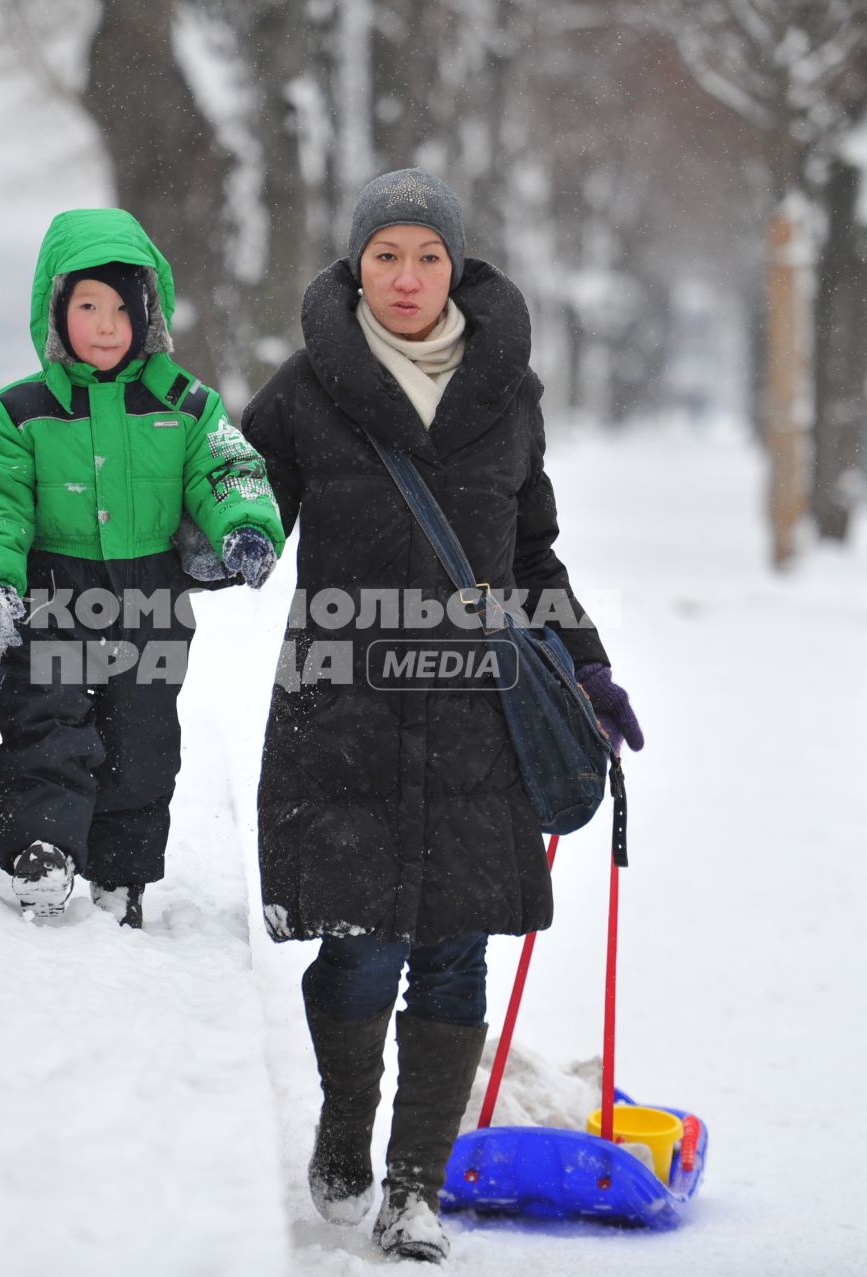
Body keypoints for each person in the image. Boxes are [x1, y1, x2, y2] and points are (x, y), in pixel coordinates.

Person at [240, 169, 642, 1263]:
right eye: (385, 257)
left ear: (454, 266)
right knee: (363, 946)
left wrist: (589, 669)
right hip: (348, 706)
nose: (406, 278)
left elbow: (532, 553)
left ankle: (415, 1185)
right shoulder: (304, 389)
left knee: (456, 949)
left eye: (425, 257)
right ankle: (344, 1119)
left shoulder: (507, 392)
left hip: (477, 715)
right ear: (357, 267)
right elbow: (239, 520)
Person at [0, 208, 284, 928]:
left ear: (148, 313)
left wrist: (246, 527)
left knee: (143, 739)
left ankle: (121, 872)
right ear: (55, 311)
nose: (104, 325)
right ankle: (42, 847)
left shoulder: (184, 404)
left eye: (120, 309)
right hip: (54, 591)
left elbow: (228, 466)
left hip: (150, 595)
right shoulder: (17, 413)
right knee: (48, 715)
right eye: (86, 307)